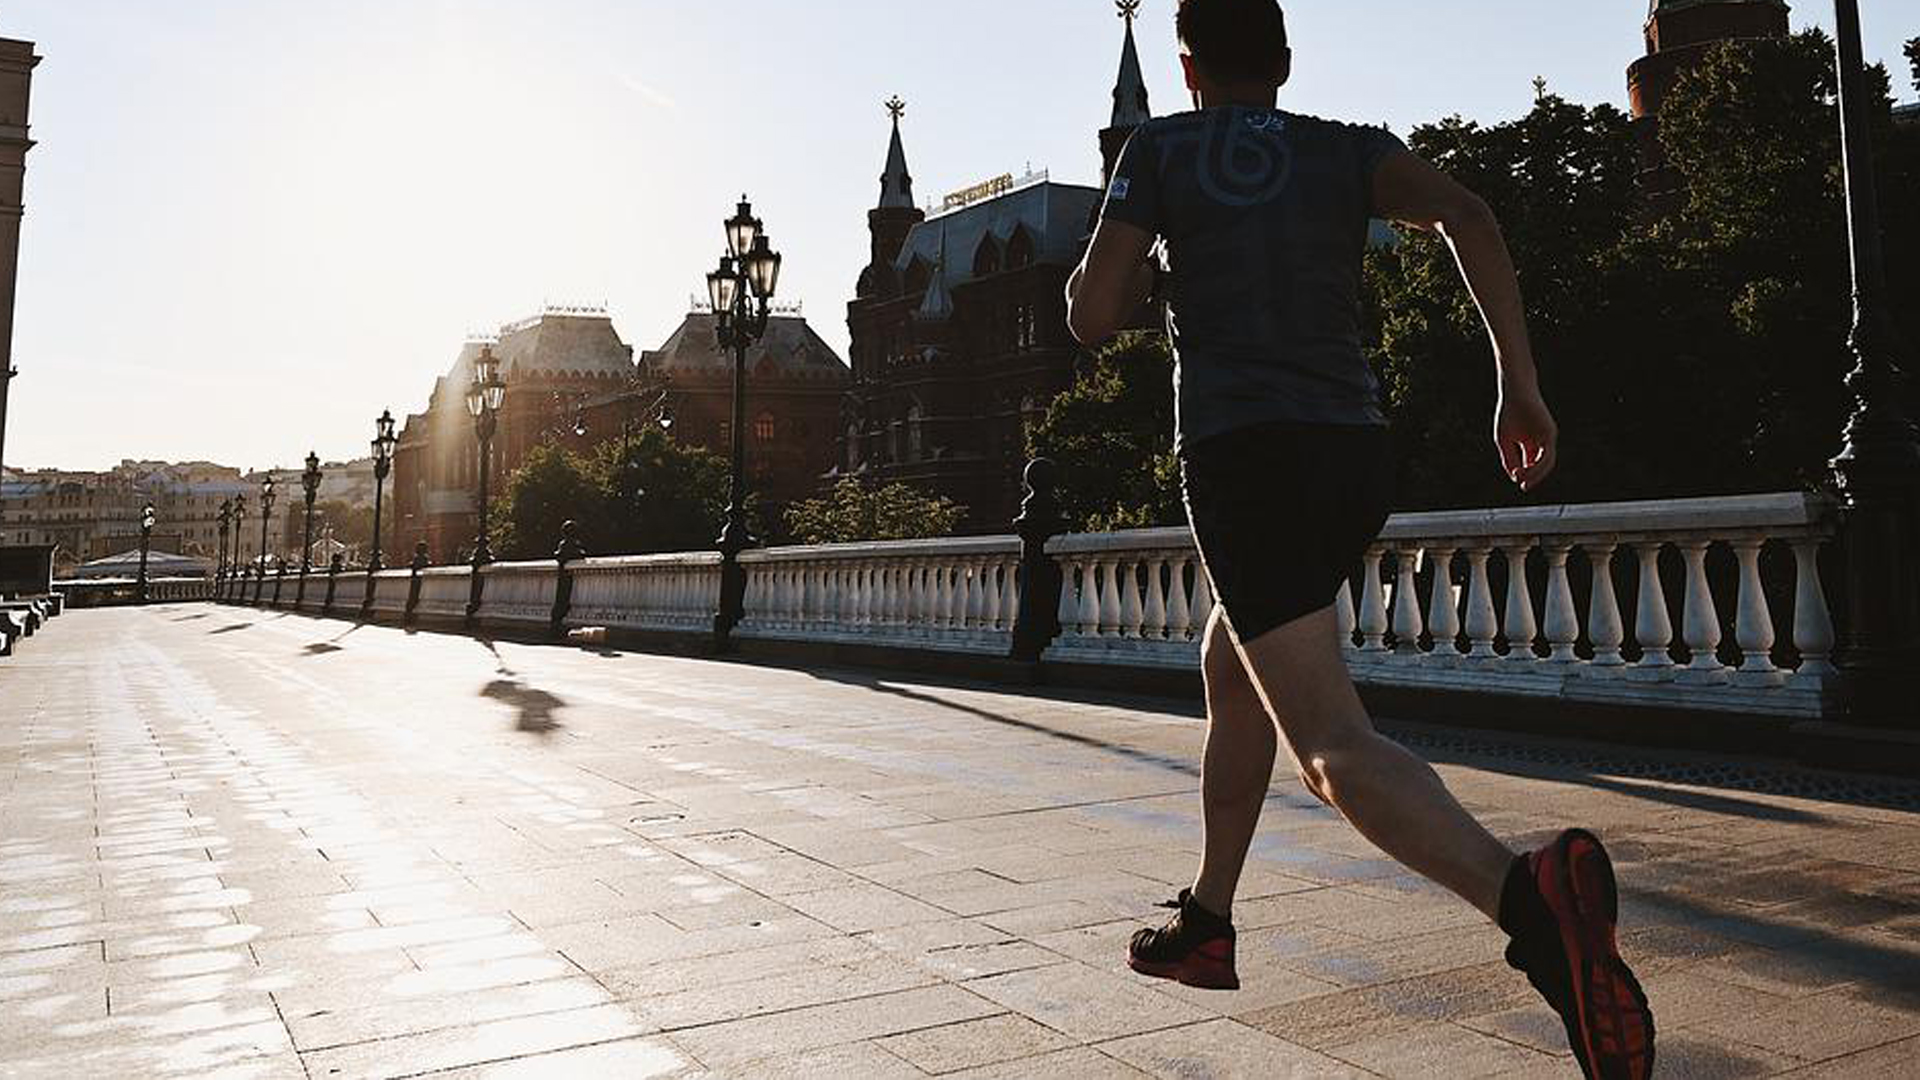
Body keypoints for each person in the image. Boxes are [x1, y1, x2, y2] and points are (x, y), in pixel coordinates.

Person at [1064, 2, 1654, 1077]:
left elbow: (1092, 316)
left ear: (1188, 68)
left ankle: (1532, 905)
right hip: (1353, 454)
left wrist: (1143, 270)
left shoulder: (1160, 148)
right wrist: (1518, 386)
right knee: (1236, 662)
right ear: (1286, 62)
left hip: (1244, 456)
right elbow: (1471, 215)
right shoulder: (1349, 149)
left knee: (1330, 748)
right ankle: (1208, 917)